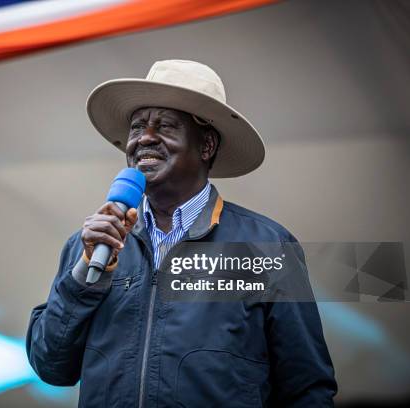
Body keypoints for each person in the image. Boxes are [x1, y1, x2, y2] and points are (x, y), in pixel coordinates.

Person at [26, 60, 337, 407]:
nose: (144, 138)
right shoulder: (89, 246)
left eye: (166, 126)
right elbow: (51, 367)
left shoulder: (268, 247)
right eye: (137, 127)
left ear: (206, 146)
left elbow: (307, 388)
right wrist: (84, 276)